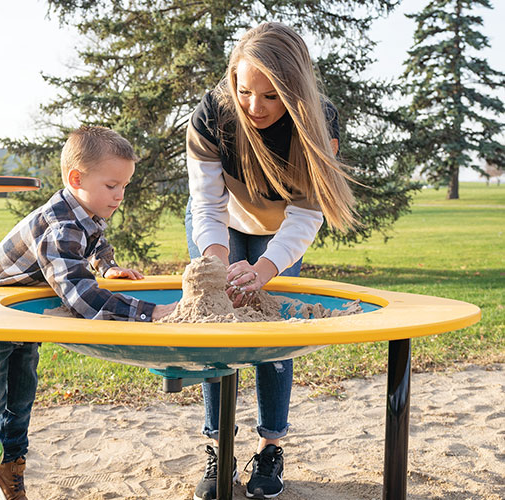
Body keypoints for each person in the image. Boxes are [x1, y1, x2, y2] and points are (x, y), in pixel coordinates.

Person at [0, 126, 177, 500]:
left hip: (23, 319)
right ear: (76, 178)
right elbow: (81, 299)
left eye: (124, 186)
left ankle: (11, 465)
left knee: (21, 398)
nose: (120, 196)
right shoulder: (58, 226)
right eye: (112, 186)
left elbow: (96, 240)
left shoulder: (84, 211)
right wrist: (149, 313)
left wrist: (107, 266)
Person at [185, 22, 357, 500]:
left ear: (294, 93)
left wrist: (264, 270)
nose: (255, 107)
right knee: (216, 326)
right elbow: (207, 204)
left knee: (275, 336)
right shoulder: (212, 116)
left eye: (270, 96)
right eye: (244, 92)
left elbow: (306, 214)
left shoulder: (319, 125)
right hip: (221, 222)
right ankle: (218, 448)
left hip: (281, 230)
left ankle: (270, 447)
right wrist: (217, 263)